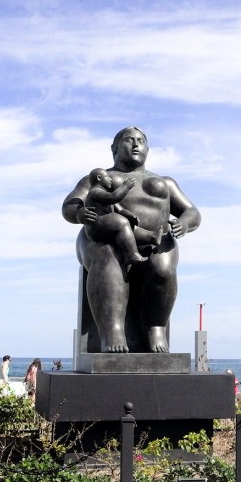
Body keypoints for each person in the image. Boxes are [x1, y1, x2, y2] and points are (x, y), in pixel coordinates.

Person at [62, 126, 201, 354]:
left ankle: (156, 327)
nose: (135, 144)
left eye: (140, 141)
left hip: (153, 239)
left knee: (163, 268)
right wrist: (78, 213)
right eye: (128, 140)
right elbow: (70, 204)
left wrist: (184, 223)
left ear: (148, 148)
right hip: (104, 236)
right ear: (114, 149)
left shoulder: (164, 182)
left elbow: (192, 212)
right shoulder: (101, 178)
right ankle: (112, 330)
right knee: (109, 257)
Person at [85, 167, 161, 267]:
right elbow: (114, 197)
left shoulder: (105, 195)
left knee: (126, 226)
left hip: (105, 224)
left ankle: (152, 237)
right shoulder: (94, 192)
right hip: (95, 227)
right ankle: (131, 255)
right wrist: (126, 186)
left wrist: (131, 215)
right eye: (107, 177)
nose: (110, 179)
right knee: (121, 222)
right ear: (99, 178)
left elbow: (120, 209)